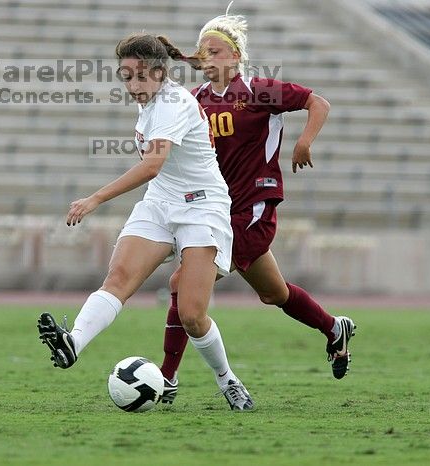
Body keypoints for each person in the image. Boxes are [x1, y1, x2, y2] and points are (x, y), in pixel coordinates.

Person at [37, 33, 254, 410]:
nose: (132, 86)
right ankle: (73, 342)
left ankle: (227, 379)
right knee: (119, 279)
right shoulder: (150, 102)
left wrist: (96, 198)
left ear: (159, 73)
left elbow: (152, 165)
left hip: (202, 208)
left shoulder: (172, 102)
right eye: (126, 77)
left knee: (191, 315)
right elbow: (160, 174)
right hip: (161, 203)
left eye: (140, 77)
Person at [156, 11, 356, 403]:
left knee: (182, 283)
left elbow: (319, 103)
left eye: (216, 50)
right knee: (274, 294)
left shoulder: (258, 91)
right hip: (215, 211)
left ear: (235, 57)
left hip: (253, 209)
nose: (208, 57)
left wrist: (303, 142)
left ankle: (167, 377)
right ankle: (335, 329)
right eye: (204, 52)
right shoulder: (194, 101)